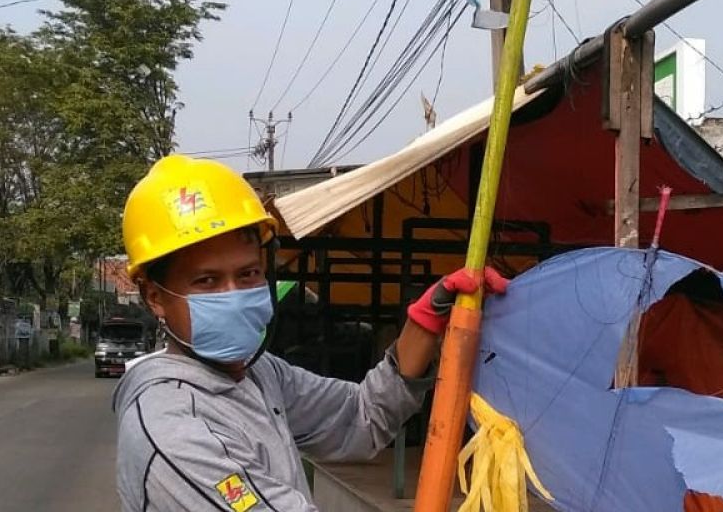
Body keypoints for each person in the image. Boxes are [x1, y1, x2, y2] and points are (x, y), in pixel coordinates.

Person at [112, 154, 507, 511]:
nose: (234, 295)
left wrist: (422, 325)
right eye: (207, 281)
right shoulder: (172, 431)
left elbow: (360, 417)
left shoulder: (261, 375)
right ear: (155, 297)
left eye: (247, 274)